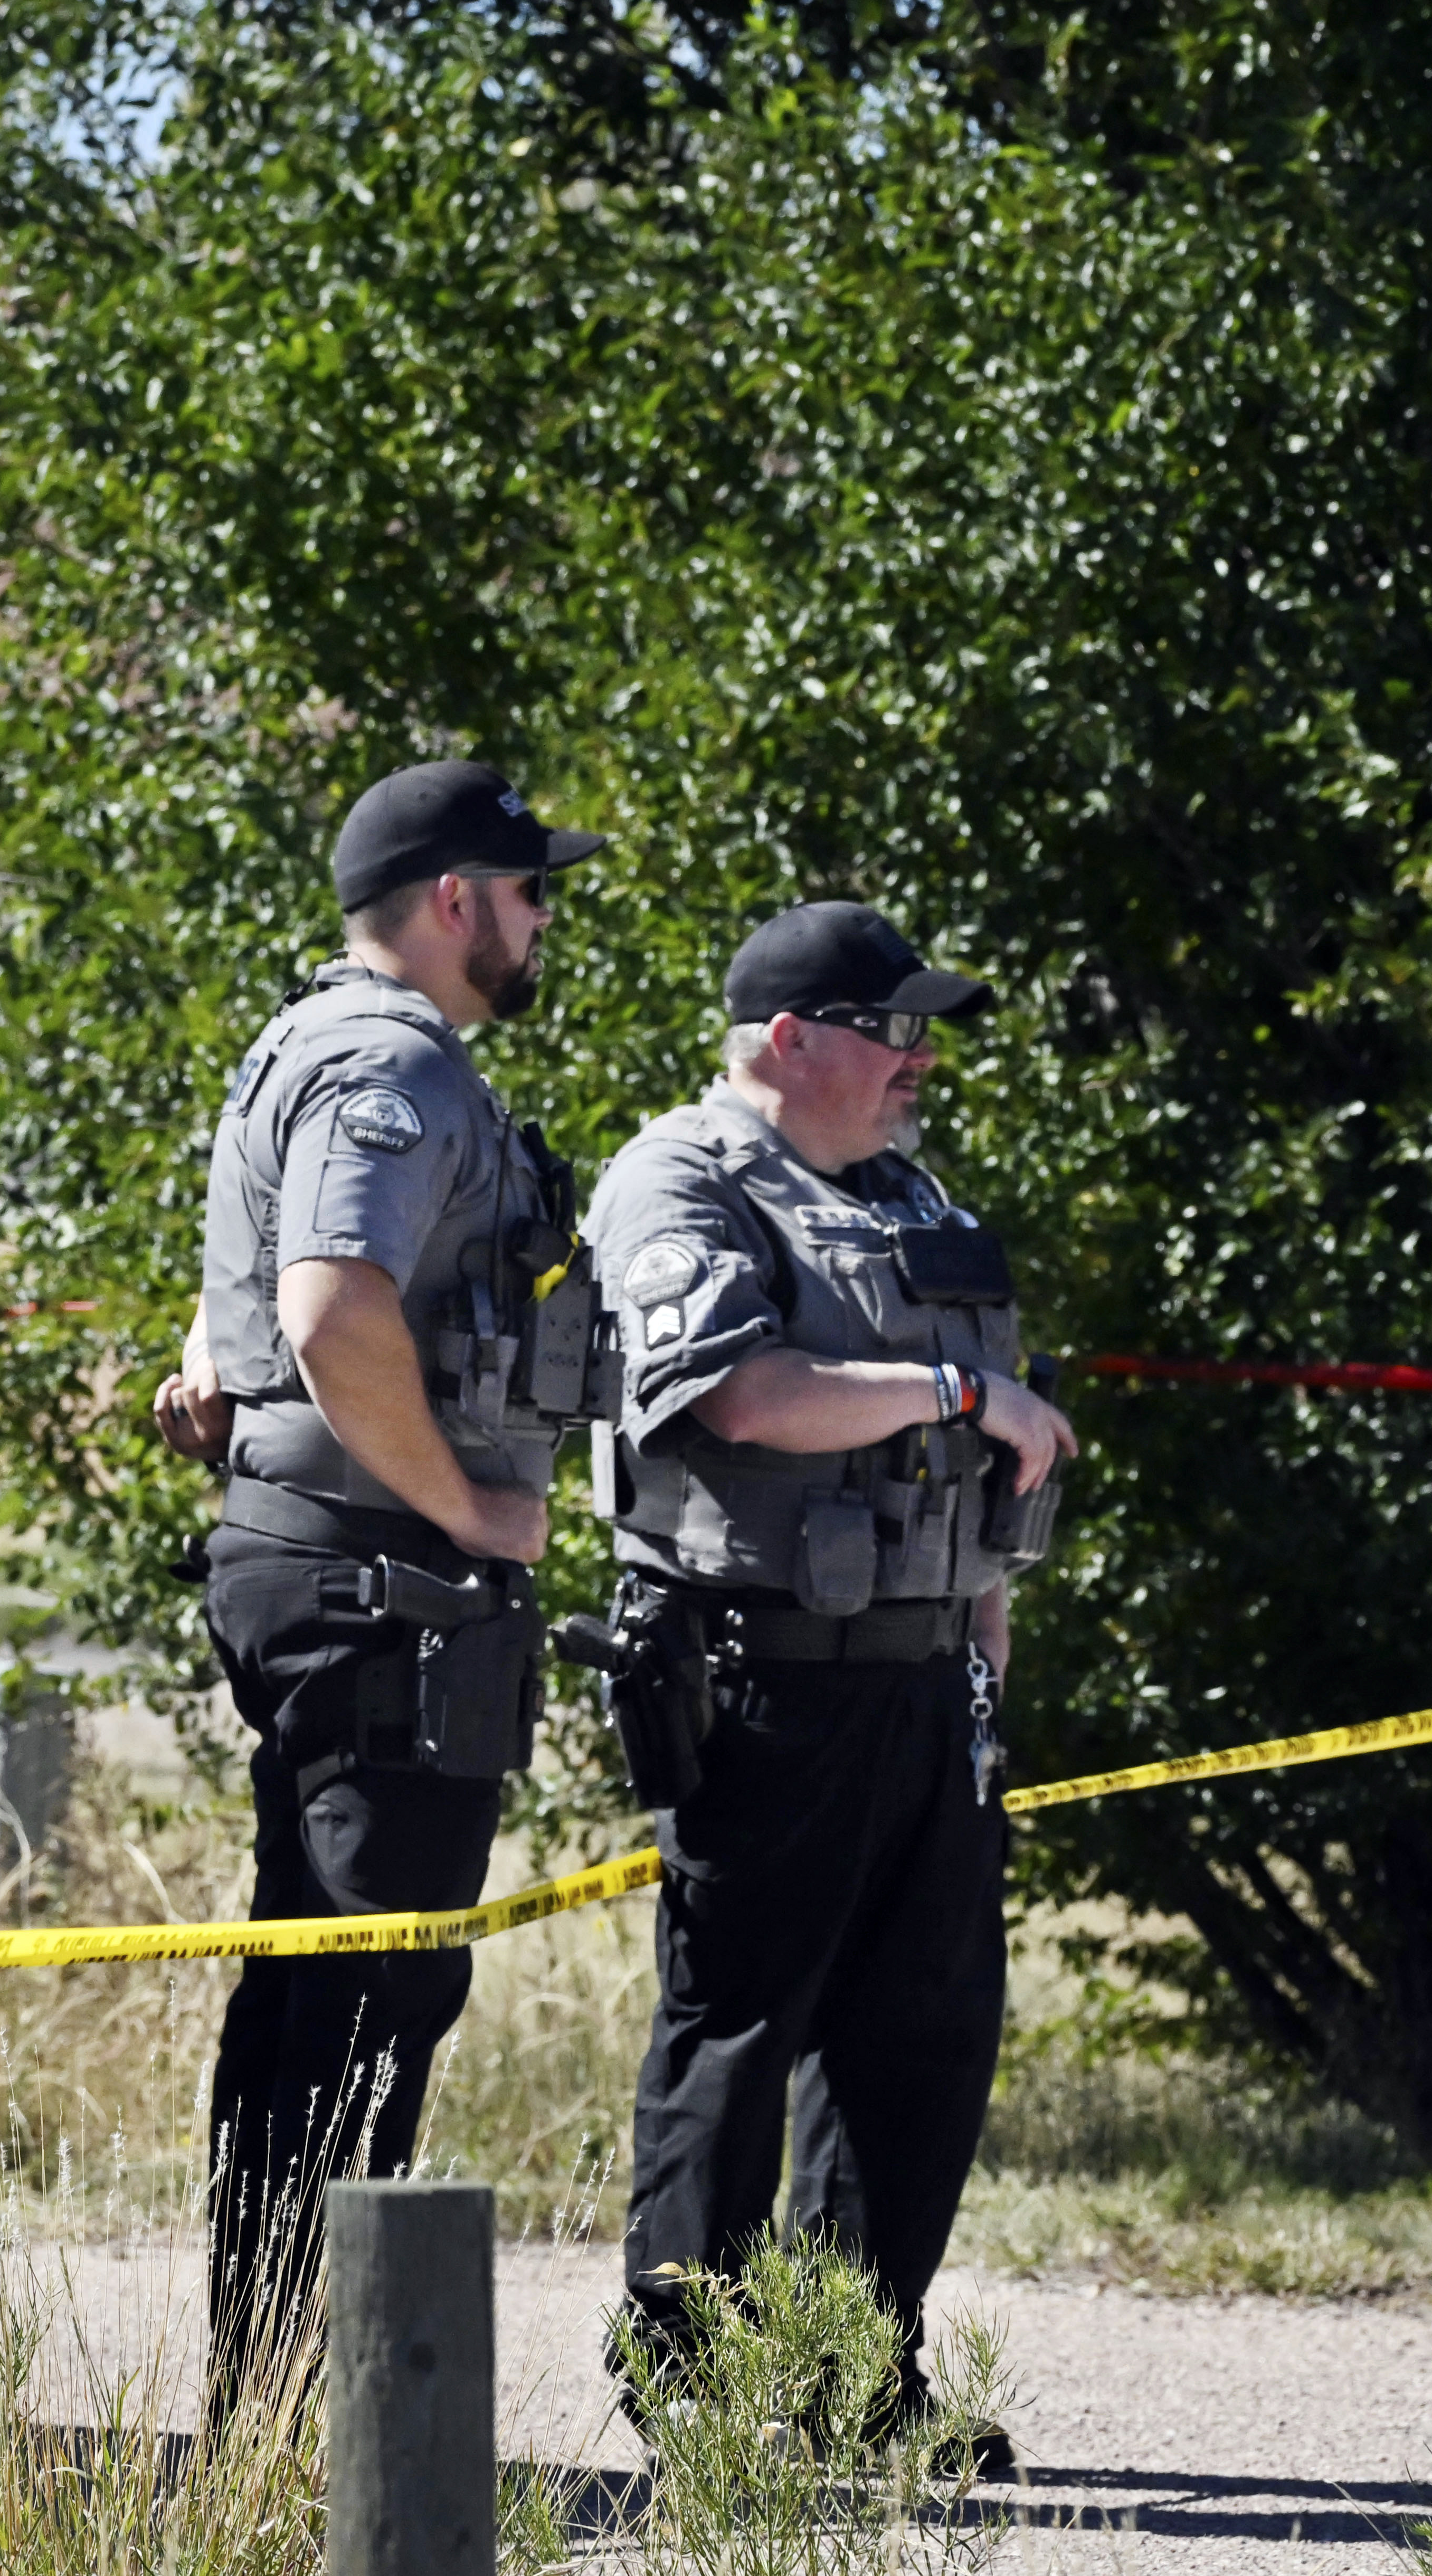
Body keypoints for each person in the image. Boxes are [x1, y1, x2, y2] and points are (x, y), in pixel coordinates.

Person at [580, 900, 1077, 2454]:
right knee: (735, 2038)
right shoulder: (682, 1175)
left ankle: (851, 2378)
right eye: (888, 1028)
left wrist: (984, 1625)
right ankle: (695, 2387)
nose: (915, 1057)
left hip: (928, 1677)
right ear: (791, 1039)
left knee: (916, 2041)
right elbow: (735, 1391)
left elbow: (968, 1464)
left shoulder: (900, 1188)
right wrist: (953, 1387)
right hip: (766, 1675)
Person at [154, 758, 615, 2417]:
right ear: (452, 903)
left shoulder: (300, 1041)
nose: (542, 918)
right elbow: (331, 1302)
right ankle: (324, 2433)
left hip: (320, 1560)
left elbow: (248, 1311)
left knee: (313, 1979)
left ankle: (273, 2403)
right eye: (527, 890)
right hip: (380, 1583)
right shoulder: (395, 1066)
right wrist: (473, 1510)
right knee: (370, 1991)